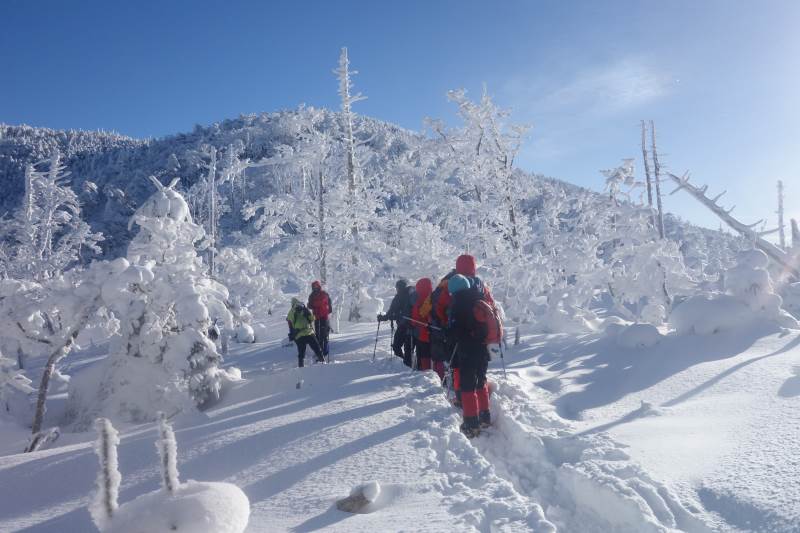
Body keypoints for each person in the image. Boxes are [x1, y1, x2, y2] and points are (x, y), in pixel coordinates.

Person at [447, 274, 500, 438]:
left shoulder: (459, 304)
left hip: (468, 350)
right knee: (481, 381)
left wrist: (448, 334)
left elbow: (456, 332)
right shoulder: (479, 298)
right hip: (483, 349)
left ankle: (471, 424)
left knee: (467, 385)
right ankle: (485, 417)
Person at [377, 279, 414, 367]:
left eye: (397, 288)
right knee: (408, 349)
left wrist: (382, 318)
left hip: (403, 326)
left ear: (398, 288)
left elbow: (390, 313)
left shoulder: (398, 297)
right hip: (414, 327)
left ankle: (403, 366)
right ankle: (409, 366)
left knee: (396, 346)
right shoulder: (412, 295)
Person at [286, 298, 324, 367]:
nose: (298, 306)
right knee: (315, 349)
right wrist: (295, 310)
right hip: (303, 333)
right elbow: (290, 319)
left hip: (305, 333)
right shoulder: (292, 312)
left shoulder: (304, 310)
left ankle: (302, 367)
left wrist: (306, 311)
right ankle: (322, 362)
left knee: (307, 351)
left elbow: (312, 319)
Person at [411, 278, 433, 371]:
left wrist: (413, 323)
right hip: (433, 332)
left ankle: (425, 372)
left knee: (424, 354)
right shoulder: (433, 297)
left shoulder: (420, 300)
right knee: (432, 355)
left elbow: (416, 317)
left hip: (423, 332)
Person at [307, 280, 333, 357]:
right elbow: (310, 305)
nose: (315, 288)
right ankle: (320, 352)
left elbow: (329, 304)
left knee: (323, 334)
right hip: (317, 317)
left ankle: (324, 351)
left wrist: (315, 305)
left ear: (318, 286)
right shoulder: (313, 295)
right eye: (314, 287)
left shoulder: (323, 294)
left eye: (316, 286)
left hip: (323, 317)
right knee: (318, 335)